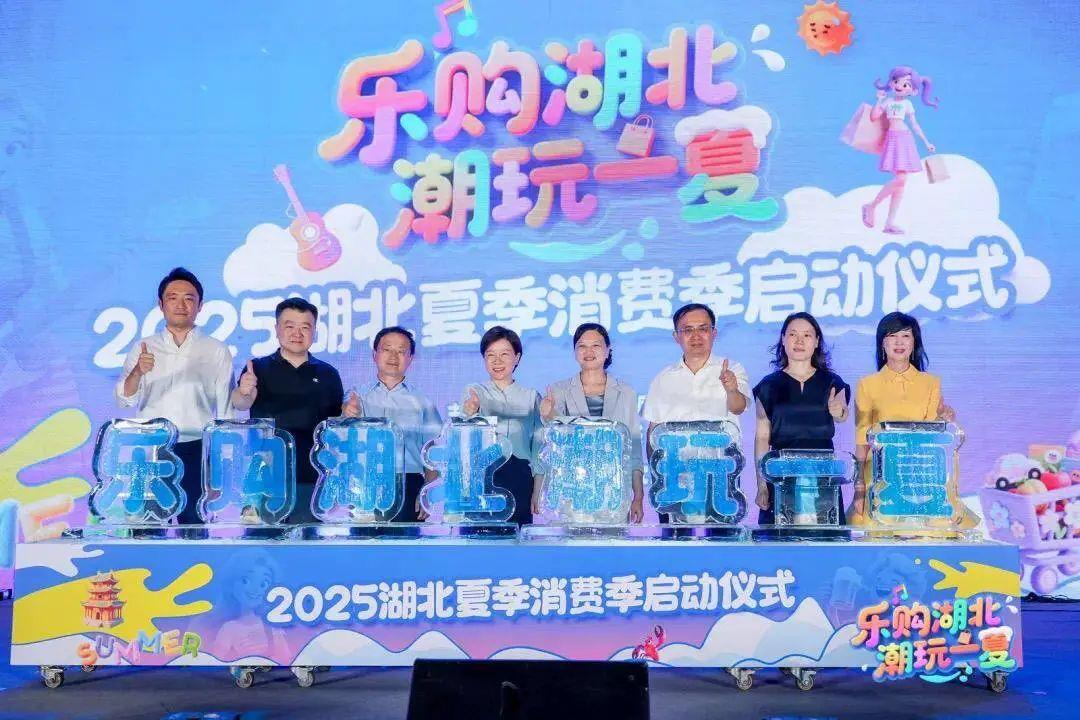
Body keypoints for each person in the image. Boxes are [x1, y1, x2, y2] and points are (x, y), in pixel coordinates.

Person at [115, 267, 233, 523]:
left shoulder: (215, 350)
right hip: (151, 447)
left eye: (189, 298)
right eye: (173, 298)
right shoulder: (144, 347)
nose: (181, 305)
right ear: (161, 304)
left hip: (197, 447)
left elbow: (226, 413)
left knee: (194, 527)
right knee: (148, 526)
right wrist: (138, 371)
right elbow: (125, 399)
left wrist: (219, 466)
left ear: (200, 306)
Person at [231, 297, 343, 523]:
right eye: (289, 326)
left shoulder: (328, 373)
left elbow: (336, 424)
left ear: (314, 332)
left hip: (311, 475)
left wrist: (350, 413)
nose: (297, 333)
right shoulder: (257, 368)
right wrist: (243, 391)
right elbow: (241, 403)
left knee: (307, 538)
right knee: (263, 540)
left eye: (305, 327)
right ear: (277, 329)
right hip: (265, 475)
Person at [849, 312, 964, 525]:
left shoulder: (931, 383)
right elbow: (862, 437)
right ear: (882, 343)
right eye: (892, 336)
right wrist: (859, 487)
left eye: (906, 336)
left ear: (914, 342)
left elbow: (932, 436)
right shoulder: (867, 384)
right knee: (878, 533)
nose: (899, 342)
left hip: (920, 473)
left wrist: (944, 417)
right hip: (881, 475)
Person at [642, 303, 750, 521]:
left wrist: (731, 389)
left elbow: (738, 407)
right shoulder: (663, 378)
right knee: (677, 540)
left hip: (718, 479)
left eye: (703, 328)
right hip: (675, 481)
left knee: (720, 539)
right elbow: (653, 433)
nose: (696, 336)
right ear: (676, 337)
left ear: (714, 333)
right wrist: (658, 480)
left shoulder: (731, 369)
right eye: (688, 330)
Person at [536, 322, 644, 523]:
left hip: (612, 490)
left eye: (596, 345)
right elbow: (552, 445)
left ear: (607, 350)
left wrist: (638, 496)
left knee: (612, 542)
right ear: (575, 352)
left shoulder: (626, 392)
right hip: (572, 490)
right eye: (582, 346)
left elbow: (634, 449)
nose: (588, 351)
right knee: (572, 541)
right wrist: (549, 416)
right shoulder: (558, 390)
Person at [753, 312, 850, 525]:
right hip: (781, 474)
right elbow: (761, 438)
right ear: (783, 339)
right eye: (793, 334)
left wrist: (838, 411)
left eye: (807, 335)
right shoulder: (767, 386)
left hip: (822, 476)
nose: (799, 341)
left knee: (824, 537)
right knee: (780, 539)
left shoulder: (832, 381)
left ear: (816, 342)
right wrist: (762, 485)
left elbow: (842, 413)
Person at [342, 326, 442, 522]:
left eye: (401, 351)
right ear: (374, 355)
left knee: (405, 541)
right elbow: (343, 439)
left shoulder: (423, 401)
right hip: (365, 482)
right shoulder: (357, 396)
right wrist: (347, 413)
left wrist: (429, 490)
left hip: (408, 482)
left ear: (410, 358)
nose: (393, 356)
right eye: (387, 349)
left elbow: (434, 450)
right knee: (365, 539)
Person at [461, 326, 541, 526]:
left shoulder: (531, 397)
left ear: (517, 357)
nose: (497, 361)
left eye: (504, 354)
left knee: (517, 538)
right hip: (481, 476)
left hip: (519, 477)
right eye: (491, 355)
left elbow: (539, 448)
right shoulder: (474, 392)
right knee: (478, 537)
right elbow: (462, 437)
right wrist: (469, 413)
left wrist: (538, 489)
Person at [861, 65, 939, 235]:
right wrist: (879, 100)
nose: (899, 86)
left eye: (905, 85)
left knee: (901, 183)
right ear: (892, 82)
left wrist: (926, 142)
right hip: (893, 139)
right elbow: (873, 117)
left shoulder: (907, 104)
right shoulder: (888, 102)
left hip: (905, 139)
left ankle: (889, 223)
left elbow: (915, 125)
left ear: (913, 91)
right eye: (896, 81)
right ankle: (871, 206)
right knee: (901, 180)